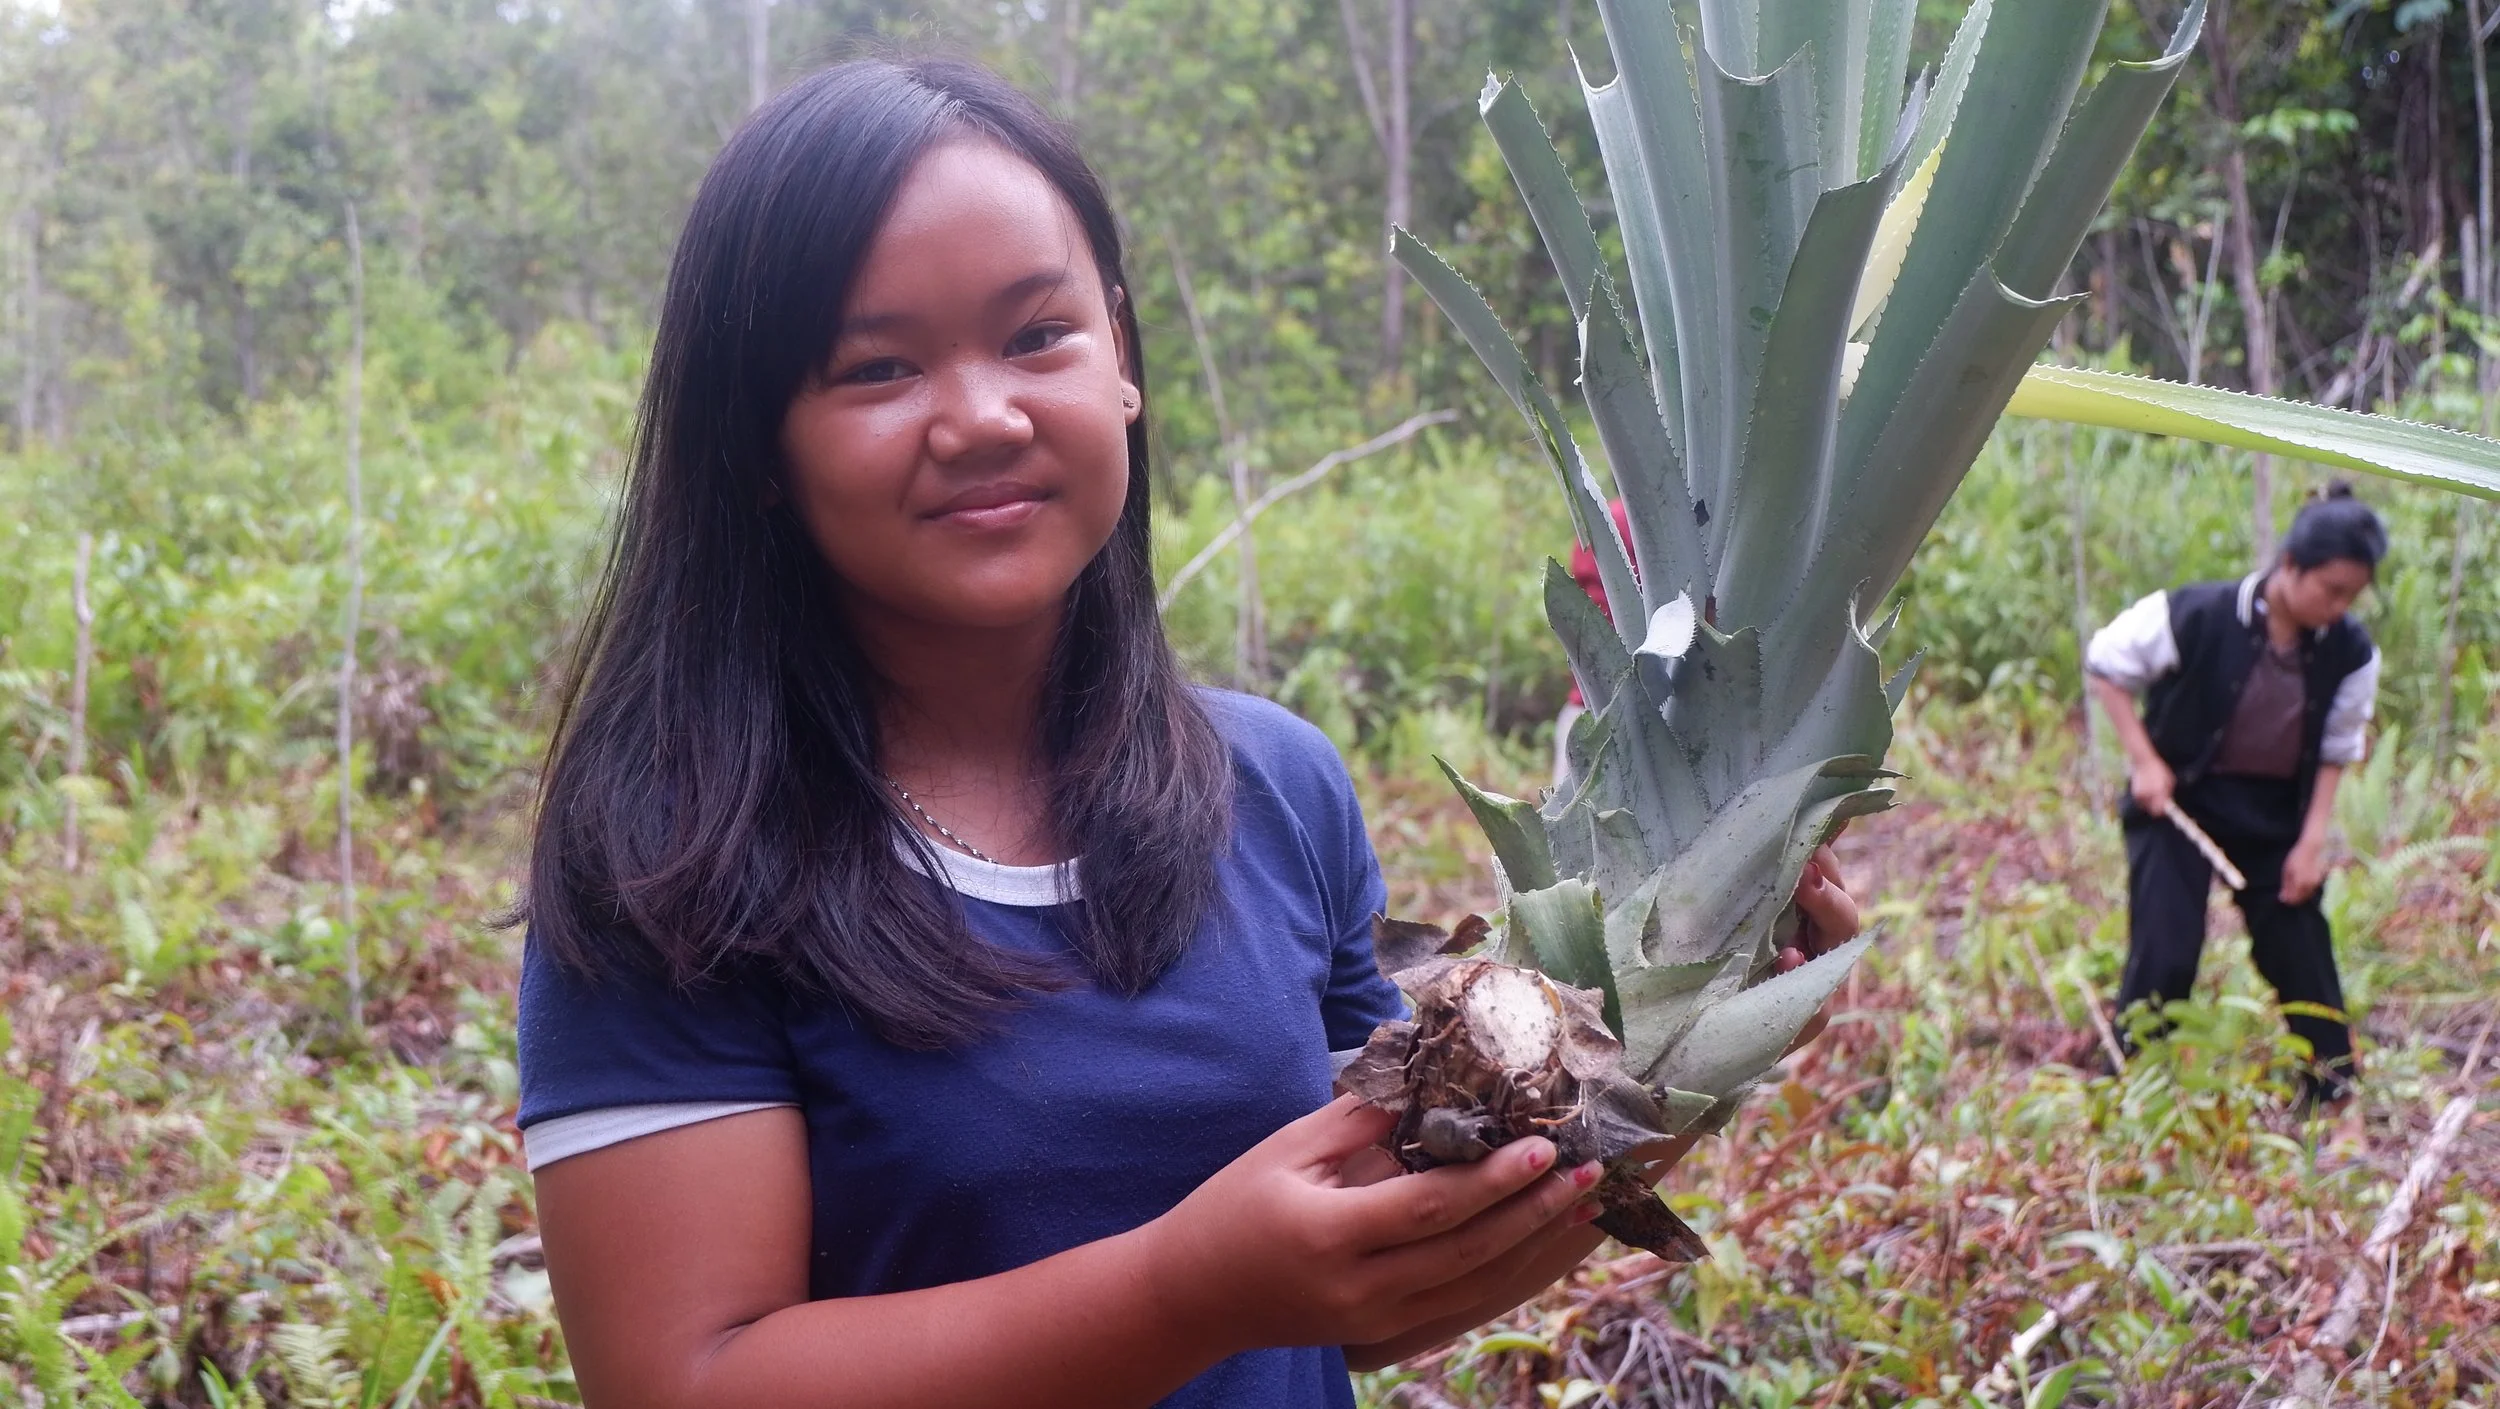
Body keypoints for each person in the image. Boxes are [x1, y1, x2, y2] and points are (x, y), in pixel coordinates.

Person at [515, 58, 1862, 1409]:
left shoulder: (1273, 786)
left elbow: (1356, 1292)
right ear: (757, 443)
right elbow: (682, 1379)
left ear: (1122, 361)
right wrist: (1186, 1287)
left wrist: (1691, 1061)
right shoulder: (669, 855)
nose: (984, 416)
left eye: (1038, 336)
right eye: (876, 366)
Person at [2084, 484, 2387, 1108]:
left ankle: (2330, 1092)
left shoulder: (2351, 654)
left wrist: (2310, 844)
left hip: (2274, 817)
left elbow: (2336, 750)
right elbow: (2106, 664)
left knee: (2301, 948)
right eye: (2331, 590)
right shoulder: (2196, 613)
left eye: (2351, 596)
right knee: (2165, 950)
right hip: (2177, 805)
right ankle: (2132, 1093)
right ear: (2291, 566)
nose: (2339, 608)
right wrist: (2144, 762)